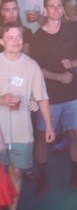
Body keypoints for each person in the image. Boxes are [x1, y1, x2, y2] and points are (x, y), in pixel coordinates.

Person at [32, 0, 77, 192]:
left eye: (59, 6)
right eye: (52, 6)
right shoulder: (38, 37)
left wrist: (73, 63)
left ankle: (75, 175)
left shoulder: (72, 31)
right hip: (47, 96)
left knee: (76, 133)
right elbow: (36, 69)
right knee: (43, 135)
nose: (56, 9)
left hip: (72, 93)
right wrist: (59, 77)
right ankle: (42, 177)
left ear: (63, 9)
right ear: (45, 10)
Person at [0, 22, 54, 198]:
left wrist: (49, 126)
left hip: (22, 131)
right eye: (10, 38)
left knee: (16, 172)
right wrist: (2, 99)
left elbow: (42, 98)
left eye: (19, 37)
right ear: (1, 41)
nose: (16, 41)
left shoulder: (31, 66)